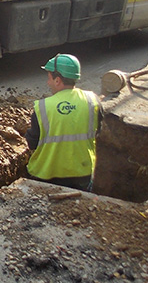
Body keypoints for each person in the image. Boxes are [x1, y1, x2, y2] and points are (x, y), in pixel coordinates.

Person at [24, 53, 101, 191]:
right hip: (82, 172)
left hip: (47, 174)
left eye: (49, 78)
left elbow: (32, 143)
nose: (48, 83)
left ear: (57, 80)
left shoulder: (42, 107)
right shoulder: (92, 100)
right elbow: (100, 132)